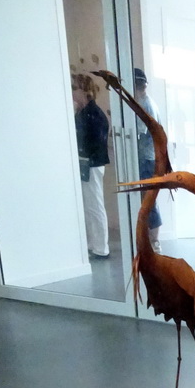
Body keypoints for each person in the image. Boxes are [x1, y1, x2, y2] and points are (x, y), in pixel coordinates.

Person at [73, 74, 110, 259]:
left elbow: (95, 144)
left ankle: (101, 247)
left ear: (84, 91)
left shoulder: (94, 114)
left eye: (75, 88)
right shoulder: (82, 113)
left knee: (95, 205)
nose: (72, 92)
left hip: (93, 165)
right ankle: (93, 244)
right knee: (88, 206)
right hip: (87, 164)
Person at [133, 68, 163, 252]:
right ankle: (152, 241)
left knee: (148, 199)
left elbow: (138, 133)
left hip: (147, 158)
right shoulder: (146, 102)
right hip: (149, 157)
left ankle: (155, 241)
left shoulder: (145, 105)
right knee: (148, 198)